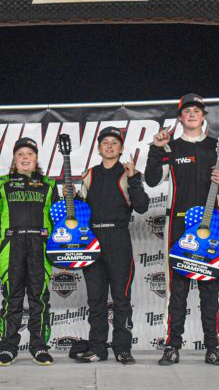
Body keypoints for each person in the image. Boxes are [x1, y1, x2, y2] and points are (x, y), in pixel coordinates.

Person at [145, 93, 219, 367]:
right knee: (177, 291)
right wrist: (156, 148)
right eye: (186, 110)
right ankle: (172, 347)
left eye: (196, 110)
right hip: (177, 226)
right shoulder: (171, 147)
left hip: (211, 228)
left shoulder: (217, 146)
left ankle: (213, 348)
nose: (191, 114)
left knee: (211, 290)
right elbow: (152, 180)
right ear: (180, 117)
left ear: (203, 116)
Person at [75, 127, 150, 364]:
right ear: (98, 148)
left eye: (114, 143)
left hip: (118, 239)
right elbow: (78, 210)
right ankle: (97, 348)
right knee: (96, 299)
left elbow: (142, 206)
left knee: (121, 298)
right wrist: (70, 197)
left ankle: (122, 348)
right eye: (105, 142)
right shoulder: (89, 174)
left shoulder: (128, 173)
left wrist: (134, 179)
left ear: (121, 148)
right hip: (92, 239)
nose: (109, 146)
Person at [0, 137, 59, 366]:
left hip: (41, 245)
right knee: (12, 299)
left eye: (30, 154)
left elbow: (59, 220)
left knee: (40, 299)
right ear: (14, 159)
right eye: (20, 154)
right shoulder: (3, 182)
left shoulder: (49, 184)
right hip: (12, 245)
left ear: (36, 159)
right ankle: (8, 348)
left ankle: (39, 347)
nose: (25, 157)